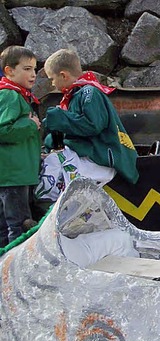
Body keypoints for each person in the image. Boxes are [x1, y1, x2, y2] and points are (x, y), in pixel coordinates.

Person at [35, 49, 138, 202]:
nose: (52, 84)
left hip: (100, 159)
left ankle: (48, 209)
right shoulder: (73, 96)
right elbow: (69, 130)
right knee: (50, 159)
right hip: (86, 156)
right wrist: (51, 141)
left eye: (52, 79)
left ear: (63, 75)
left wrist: (60, 117)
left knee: (53, 165)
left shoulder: (90, 92)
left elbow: (92, 125)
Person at [0, 46, 41, 246]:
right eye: (26, 69)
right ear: (9, 71)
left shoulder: (18, 95)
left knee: (4, 227)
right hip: (13, 175)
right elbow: (2, 130)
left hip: (12, 173)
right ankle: (15, 272)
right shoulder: (10, 95)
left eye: (34, 69)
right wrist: (30, 124)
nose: (33, 74)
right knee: (19, 226)